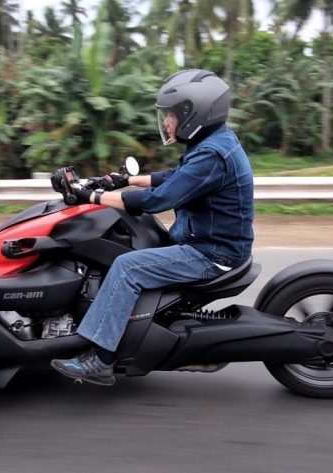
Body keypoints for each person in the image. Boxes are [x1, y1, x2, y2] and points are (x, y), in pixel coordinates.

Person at [50, 69, 254, 386]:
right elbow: (177, 176)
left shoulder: (212, 155)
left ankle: (100, 360)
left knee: (127, 267)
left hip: (212, 254)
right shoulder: (215, 143)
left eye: (172, 115)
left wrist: (93, 196)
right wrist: (124, 180)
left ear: (193, 114)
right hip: (208, 242)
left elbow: (157, 199)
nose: (167, 122)